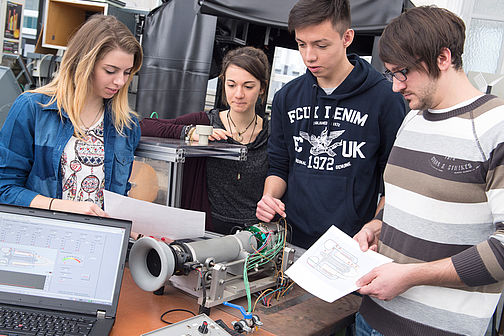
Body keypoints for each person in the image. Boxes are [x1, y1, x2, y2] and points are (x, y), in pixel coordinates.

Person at [353, 6, 504, 336]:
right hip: (371, 319)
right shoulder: (412, 118)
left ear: (443, 58)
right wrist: (378, 225)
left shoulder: (496, 127)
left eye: (402, 73)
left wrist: (410, 275)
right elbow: (397, 199)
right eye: (391, 74)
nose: (396, 87)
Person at [255, 0, 405, 249]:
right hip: (291, 241)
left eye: (321, 45)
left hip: (350, 244)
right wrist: (269, 199)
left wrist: (374, 226)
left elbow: (394, 181)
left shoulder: (385, 98)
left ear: (347, 37)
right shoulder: (287, 98)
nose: (309, 56)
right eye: (301, 44)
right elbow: (280, 165)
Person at [0, 14, 143, 216]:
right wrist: (59, 206)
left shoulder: (126, 125)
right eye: (111, 71)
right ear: (83, 63)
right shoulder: (33, 108)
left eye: (127, 72)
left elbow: (118, 198)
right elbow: (4, 188)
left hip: (101, 241)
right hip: (43, 238)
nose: (120, 81)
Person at [140, 46, 270, 235]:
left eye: (248, 86)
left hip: (256, 236)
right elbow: (145, 125)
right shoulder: (205, 122)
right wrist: (189, 132)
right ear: (223, 83)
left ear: (262, 88)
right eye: (231, 85)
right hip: (206, 232)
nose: (239, 94)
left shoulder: (273, 134)